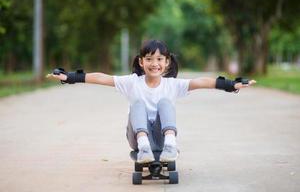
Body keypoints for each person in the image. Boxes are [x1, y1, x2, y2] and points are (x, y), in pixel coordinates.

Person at [47, 39, 256, 164]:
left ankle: (171, 144)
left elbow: (201, 82)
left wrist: (230, 84)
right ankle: (144, 146)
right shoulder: (132, 82)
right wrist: (70, 77)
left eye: (159, 59)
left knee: (165, 103)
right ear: (141, 62)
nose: (154, 63)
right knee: (137, 104)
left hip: (163, 137)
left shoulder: (172, 85)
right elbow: (102, 77)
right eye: (149, 59)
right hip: (137, 139)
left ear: (166, 63)